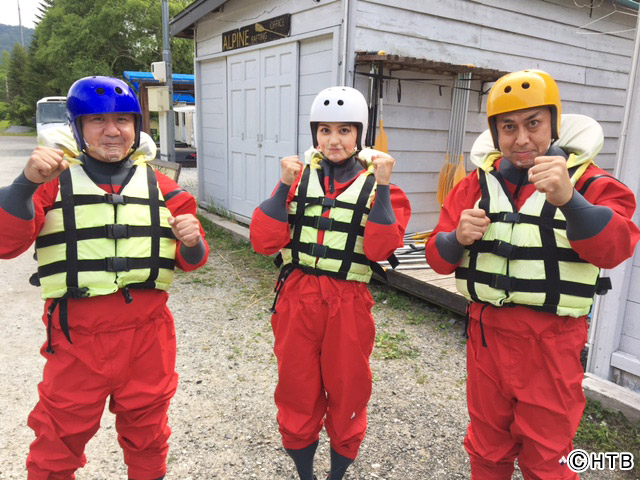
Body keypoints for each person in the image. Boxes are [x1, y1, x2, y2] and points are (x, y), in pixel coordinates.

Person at [425, 68, 640, 479]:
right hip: (485, 336)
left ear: (554, 124)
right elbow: (437, 258)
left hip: (552, 342)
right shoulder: (472, 186)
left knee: (548, 458)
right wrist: (456, 238)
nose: (521, 139)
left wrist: (569, 200)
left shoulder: (592, 182)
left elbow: (616, 247)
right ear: (495, 133)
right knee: (487, 448)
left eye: (533, 123)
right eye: (508, 127)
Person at [0, 76, 209, 480]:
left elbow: (191, 260)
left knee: (149, 439)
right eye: (97, 120)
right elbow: (6, 245)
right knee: (55, 444)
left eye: (122, 120)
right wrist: (24, 184)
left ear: (136, 127)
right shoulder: (49, 186)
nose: (112, 131)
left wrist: (193, 242)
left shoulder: (166, 189)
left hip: (149, 338)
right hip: (77, 338)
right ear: (77, 128)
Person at [250, 86, 411, 480]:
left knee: (348, 388)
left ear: (360, 134)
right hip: (297, 297)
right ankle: (305, 473)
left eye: (344, 130)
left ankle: (337, 473)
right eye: (324, 130)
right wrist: (284, 185)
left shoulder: (379, 186)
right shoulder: (297, 179)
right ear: (314, 135)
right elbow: (262, 241)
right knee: (296, 388)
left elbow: (380, 248)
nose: (333, 140)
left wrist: (385, 186)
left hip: (348, 302)